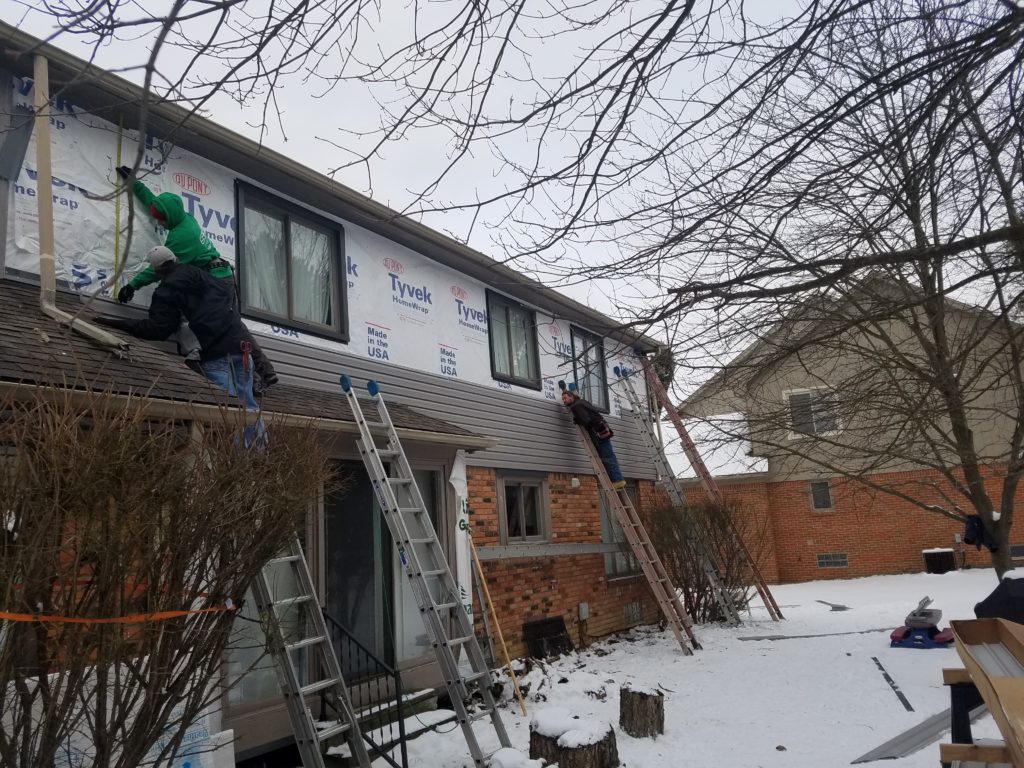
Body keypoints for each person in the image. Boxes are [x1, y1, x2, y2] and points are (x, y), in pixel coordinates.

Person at [114, 166, 279, 392]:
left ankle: (260, 373)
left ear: (169, 218)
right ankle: (250, 368)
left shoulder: (182, 237)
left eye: (161, 220)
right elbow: (157, 202)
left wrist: (132, 285)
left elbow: (160, 269)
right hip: (212, 275)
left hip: (218, 280)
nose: (160, 224)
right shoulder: (182, 218)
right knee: (212, 319)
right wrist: (134, 183)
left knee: (230, 327)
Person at [96, 246, 260, 418]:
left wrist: (115, 322)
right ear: (175, 259)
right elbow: (226, 297)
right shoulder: (202, 275)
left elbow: (157, 329)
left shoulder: (167, 291)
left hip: (215, 354)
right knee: (248, 406)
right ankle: (256, 445)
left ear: (156, 269)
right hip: (242, 349)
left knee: (225, 410)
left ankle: (232, 446)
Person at [562, 388, 627, 489]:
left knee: (606, 456)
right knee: (609, 454)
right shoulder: (583, 402)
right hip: (602, 428)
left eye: (565, 398)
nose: (564, 401)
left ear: (572, 397)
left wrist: (578, 420)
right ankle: (616, 479)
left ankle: (617, 480)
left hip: (597, 431)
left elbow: (586, 421)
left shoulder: (576, 406)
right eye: (563, 399)